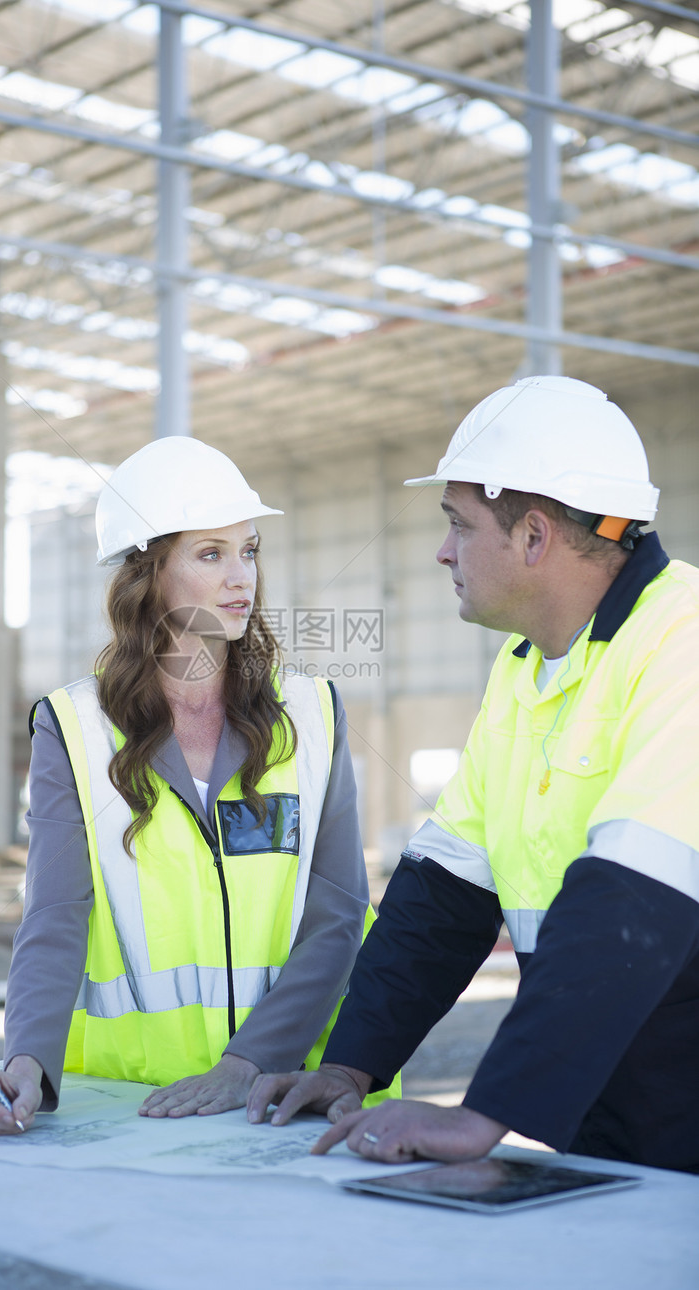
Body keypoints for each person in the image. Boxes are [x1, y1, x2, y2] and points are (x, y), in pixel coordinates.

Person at [247, 375, 699, 1175]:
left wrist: (489, 1113)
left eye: (459, 524)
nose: (443, 550)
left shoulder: (682, 642)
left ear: (532, 536)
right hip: (611, 1117)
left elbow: (632, 900)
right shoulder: (526, 670)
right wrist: (351, 1065)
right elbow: (445, 891)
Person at [0, 436, 396, 1136]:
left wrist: (250, 1060)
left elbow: (340, 911)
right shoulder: (72, 728)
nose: (241, 579)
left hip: (293, 1098)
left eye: (249, 551)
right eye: (210, 553)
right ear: (150, 573)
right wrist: (26, 1062)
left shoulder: (314, 714)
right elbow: (55, 915)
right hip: (136, 1111)